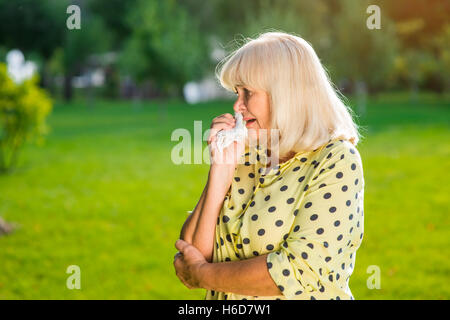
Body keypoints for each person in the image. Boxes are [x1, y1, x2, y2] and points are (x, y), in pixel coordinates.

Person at [173, 31, 364, 300]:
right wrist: (220, 171)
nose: (237, 105)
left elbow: (298, 269)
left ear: (285, 94)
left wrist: (203, 274)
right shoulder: (247, 155)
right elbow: (191, 252)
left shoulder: (336, 160)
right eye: (236, 93)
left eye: (247, 93)